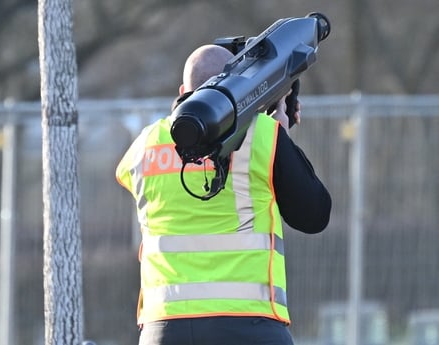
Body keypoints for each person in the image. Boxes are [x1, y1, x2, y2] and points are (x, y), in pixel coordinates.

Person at [115, 44, 332, 345]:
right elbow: (314, 214)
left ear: (182, 90)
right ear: (236, 81)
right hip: (248, 326)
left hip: (164, 329)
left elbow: (126, 173)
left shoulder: (145, 145)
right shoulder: (262, 135)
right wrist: (281, 137)